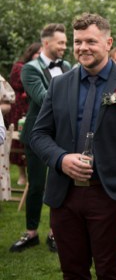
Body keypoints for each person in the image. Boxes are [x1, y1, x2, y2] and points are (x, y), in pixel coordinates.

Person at [29, 13, 116, 278]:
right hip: (64, 195)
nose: (83, 47)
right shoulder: (59, 84)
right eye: (78, 41)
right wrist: (61, 159)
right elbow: (38, 134)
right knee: (72, 270)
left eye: (91, 41)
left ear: (108, 43)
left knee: (109, 270)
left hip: (108, 194)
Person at [9, 24, 70, 254]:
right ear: (46, 43)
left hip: (63, 133)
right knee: (36, 185)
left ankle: (55, 232)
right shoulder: (30, 69)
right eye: (60, 43)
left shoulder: (67, 66)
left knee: (61, 183)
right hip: (37, 133)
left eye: (65, 42)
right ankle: (31, 232)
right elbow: (44, 98)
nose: (65, 47)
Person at [7, 42, 42, 185]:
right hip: (18, 109)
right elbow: (18, 84)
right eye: (38, 53)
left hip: (32, 107)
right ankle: (22, 175)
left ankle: (32, 175)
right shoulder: (19, 67)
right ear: (31, 53)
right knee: (18, 142)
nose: (40, 56)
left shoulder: (42, 68)